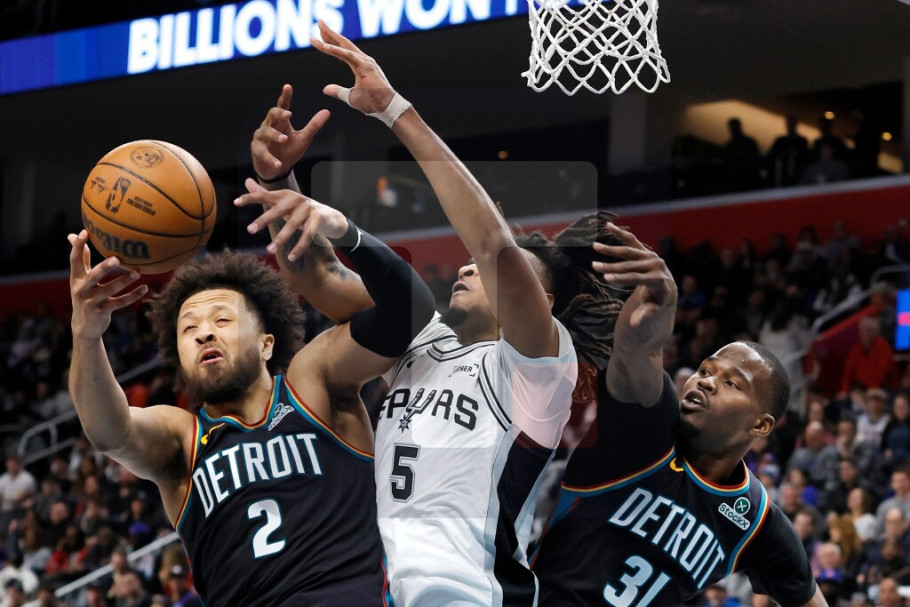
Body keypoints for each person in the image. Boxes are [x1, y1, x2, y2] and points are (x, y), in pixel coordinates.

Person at [237, 21, 624, 606]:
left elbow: (492, 246)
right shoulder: (422, 341)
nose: (468, 268)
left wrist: (394, 110)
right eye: (469, 265)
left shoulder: (538, 372)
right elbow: (318, 276)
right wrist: (277, 178)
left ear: (539, 304)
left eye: (489, 273)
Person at [66, 179, 435, 606]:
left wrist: (349, 234)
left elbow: (410, 312)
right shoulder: (181, 437)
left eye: (222, 320)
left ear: (266, 343)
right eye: (189, 328)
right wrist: (86, 335)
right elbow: (109, 432)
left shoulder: (312, 383)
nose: (204, 333)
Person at [528, 229, 826, 604]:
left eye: (732, 383)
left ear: (761, 425)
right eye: (705, 370)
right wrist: (659, 303)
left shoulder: (755, 521)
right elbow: (635, 352)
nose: (706, 382)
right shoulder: (648, 426)